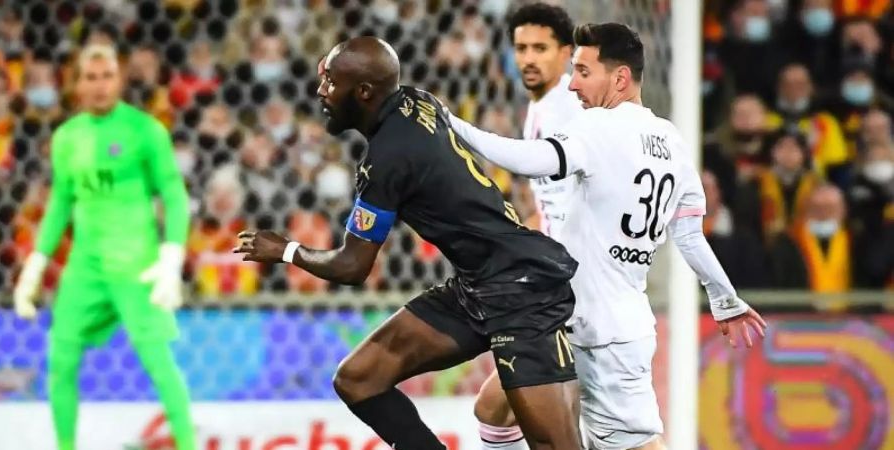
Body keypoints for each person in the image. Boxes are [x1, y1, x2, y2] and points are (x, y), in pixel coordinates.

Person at [234, 36, 583, 450]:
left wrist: (287, 251)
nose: (320, 92)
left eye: (330, 82)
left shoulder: (388, 159)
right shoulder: (418, 100)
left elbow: (352, 266)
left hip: (520, 289)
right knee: (359, 378)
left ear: (363, 92)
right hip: (476, 285)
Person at [448, 23, 768, 450]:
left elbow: (531, 160)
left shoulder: (601, 127)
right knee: (495, 407)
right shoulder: (670, 139)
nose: (573, 84)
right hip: (571, 316)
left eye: (582, 72)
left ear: (618, 78)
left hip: (606, 332)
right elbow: (688, 233)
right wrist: (724, 298)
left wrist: (451, 125)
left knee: (632, 445)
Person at [10, 44, 195, 450]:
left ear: (121, 79)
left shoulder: (145, 131)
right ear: (75, 83)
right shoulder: (66, 137)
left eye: (107, 75)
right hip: (85, 269)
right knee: (60, 361)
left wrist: (171, 258)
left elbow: (174, 195)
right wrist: (35, 265)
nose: (99, 85)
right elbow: (60, 202)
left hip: (138, 266)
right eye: (90, 77)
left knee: (159, 365)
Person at [471, 4, 581, 450]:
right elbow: (550, 205)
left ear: (567, 53)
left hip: (573, 286)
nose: (529, 58)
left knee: (513, 412)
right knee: (511, 411)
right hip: (555, 281)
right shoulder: (542, 107)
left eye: (541, 48)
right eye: (521, 48)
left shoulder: (567, 111)